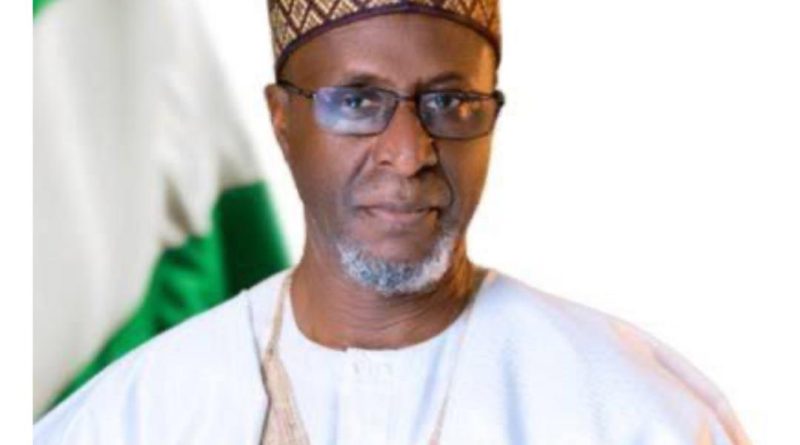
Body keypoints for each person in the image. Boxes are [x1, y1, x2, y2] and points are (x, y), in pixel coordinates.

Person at [34, 1, 751, 443]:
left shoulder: (630, 412)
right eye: (357, 101)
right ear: (282, 120)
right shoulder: (135, 417)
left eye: (450, 103)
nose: (408, 153)